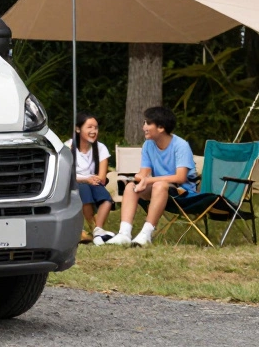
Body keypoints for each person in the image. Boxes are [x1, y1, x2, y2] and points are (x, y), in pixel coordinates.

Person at [105, 106, 199, 248]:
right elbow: (144, 172)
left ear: (160, 128)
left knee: (159, 185)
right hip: (158, 188)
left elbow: (180, 178)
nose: (144, 127)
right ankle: (124, 234)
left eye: (148, 123)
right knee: (131, 187)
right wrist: (138, 179)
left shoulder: (181, 145)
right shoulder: (148, 145)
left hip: (182, 192)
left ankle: (146, 234)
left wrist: (148, 180)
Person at [66, 112, 115, 244]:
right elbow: (66, 174)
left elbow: (102, 177)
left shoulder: (100, 148)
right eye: (90, 127)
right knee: (84, 190)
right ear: (78, 129)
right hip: (75, 183)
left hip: (94, 182)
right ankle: (92, 227)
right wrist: (85, 179)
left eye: (96, 127)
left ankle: (98, 230)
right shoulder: (68, 147)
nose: (94, 131)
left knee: (106, 199)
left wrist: (93, 180)